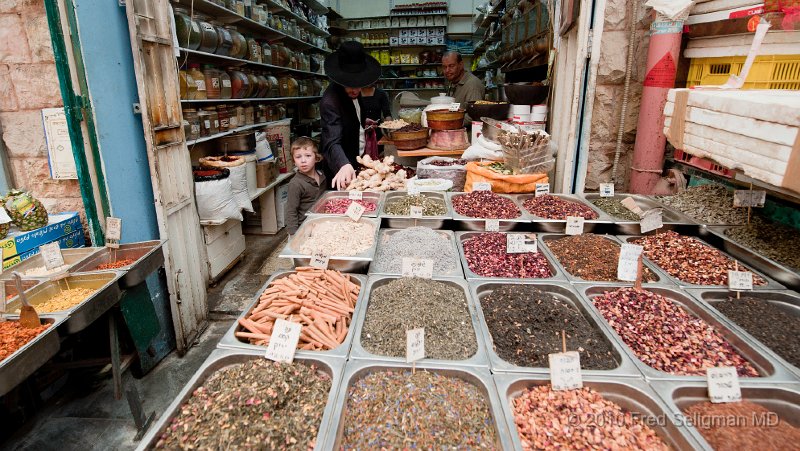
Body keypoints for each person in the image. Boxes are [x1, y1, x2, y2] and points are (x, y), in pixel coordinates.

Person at [320, 41, 382, 190]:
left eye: (358, 84)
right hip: (340, 169)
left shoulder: (354, 91)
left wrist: (362, 121)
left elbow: (350, 115)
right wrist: (343, 164)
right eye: (350, 85)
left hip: (356, 159)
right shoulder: (330, 102)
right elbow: (331, 140)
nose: (355, 90)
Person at [284, 137, 326, 236]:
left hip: (320, 224)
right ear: (294, 161)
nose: (303, 161)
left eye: (308, 155)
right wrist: (293, 235)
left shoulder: (322, 175)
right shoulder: (295, 184)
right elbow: (291, 211)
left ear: (316, 158)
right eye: (298, 157)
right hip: (303, 228)